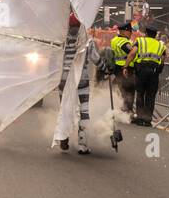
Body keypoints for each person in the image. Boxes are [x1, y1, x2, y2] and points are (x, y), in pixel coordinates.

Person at [52, 14, 100, 154]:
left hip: (64, 81)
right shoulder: (87, 42)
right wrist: (107, 68)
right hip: (82, 81)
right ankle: (82, 145)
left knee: (65, 109)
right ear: (80, 26)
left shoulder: (61, 41)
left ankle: (63, 138)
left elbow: (54, 60)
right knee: (84, 112)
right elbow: (96, 59)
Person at [125, 23, 165, 127]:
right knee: (151, 96)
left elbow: (132, 53)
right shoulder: (161, 45)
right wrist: (158, 70)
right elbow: (163, 59)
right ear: (155, 35)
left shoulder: (140, 41)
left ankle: (140, 118)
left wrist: (126, 66)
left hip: (141, 71)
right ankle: (147, 120)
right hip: (154, 72)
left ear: (146, 33)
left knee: (140, 94)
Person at [109, 21, 136, 114]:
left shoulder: (114, 40)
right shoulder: (124, 42)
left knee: (121, 89)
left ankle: (122, 109)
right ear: (124, 31)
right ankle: (128, 111)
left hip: (117, 67)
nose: (131, 33)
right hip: (126, 68)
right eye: (130, 31)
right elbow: (132, 53)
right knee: (129, 90)